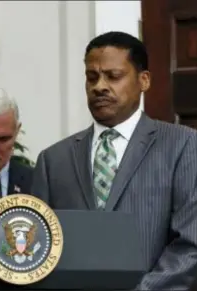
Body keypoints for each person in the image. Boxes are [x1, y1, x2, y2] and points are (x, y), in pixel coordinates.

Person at [31, 31, 197, 290]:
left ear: (144, 80)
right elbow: (38, 249)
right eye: (92, 77)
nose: (99, 86)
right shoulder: (53, 160)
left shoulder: (182, 145)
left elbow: (191, 243)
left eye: (114, 76)